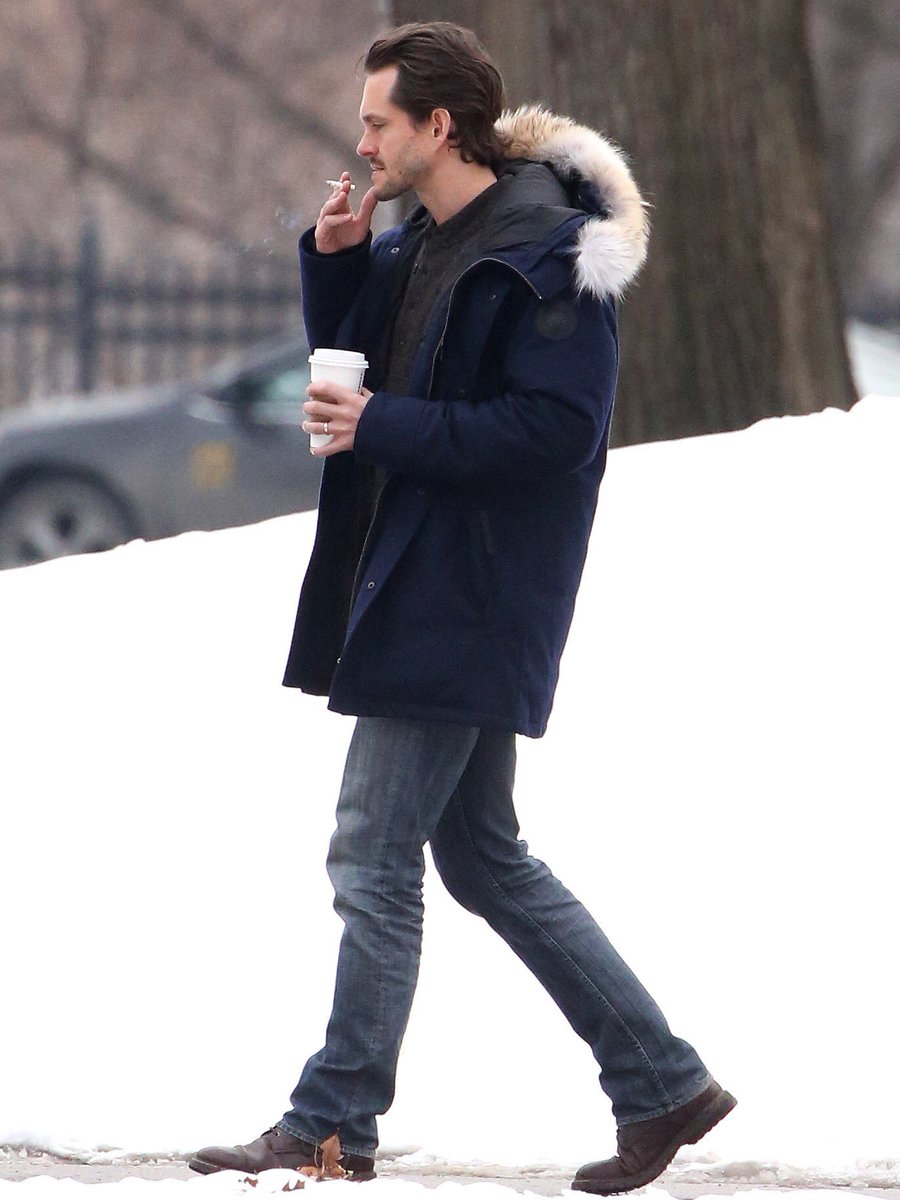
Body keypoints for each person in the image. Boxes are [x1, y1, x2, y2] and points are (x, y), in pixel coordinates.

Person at [190, 21, 735, 1195]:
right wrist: (338, 262)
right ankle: (663, 1083)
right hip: (421, 583)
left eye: (380, 120)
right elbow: (362, 361)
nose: (363, 139)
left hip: (470, 599)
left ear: (441, 125)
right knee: (482, 858)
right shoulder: (420, 242)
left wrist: (380, 423)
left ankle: (333, 1124)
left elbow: (557, 434)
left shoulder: (546, 257)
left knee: (372, 856)